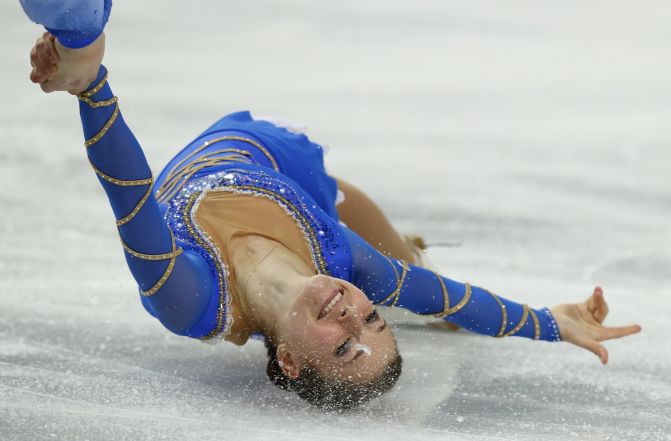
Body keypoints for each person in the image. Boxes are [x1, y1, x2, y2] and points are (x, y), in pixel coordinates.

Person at [27, 27, 641, 410]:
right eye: (373, 319)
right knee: (405, 269)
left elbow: (129, 195)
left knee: (380, 256)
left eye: (345, 347)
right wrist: (550, 322)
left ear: (289, 362)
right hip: (286, 167)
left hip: (218, 156)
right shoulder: (348, 265)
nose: (353, 314)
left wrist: (91, 86)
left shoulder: (191, 301)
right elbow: (449, 298)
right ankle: (411, 247)